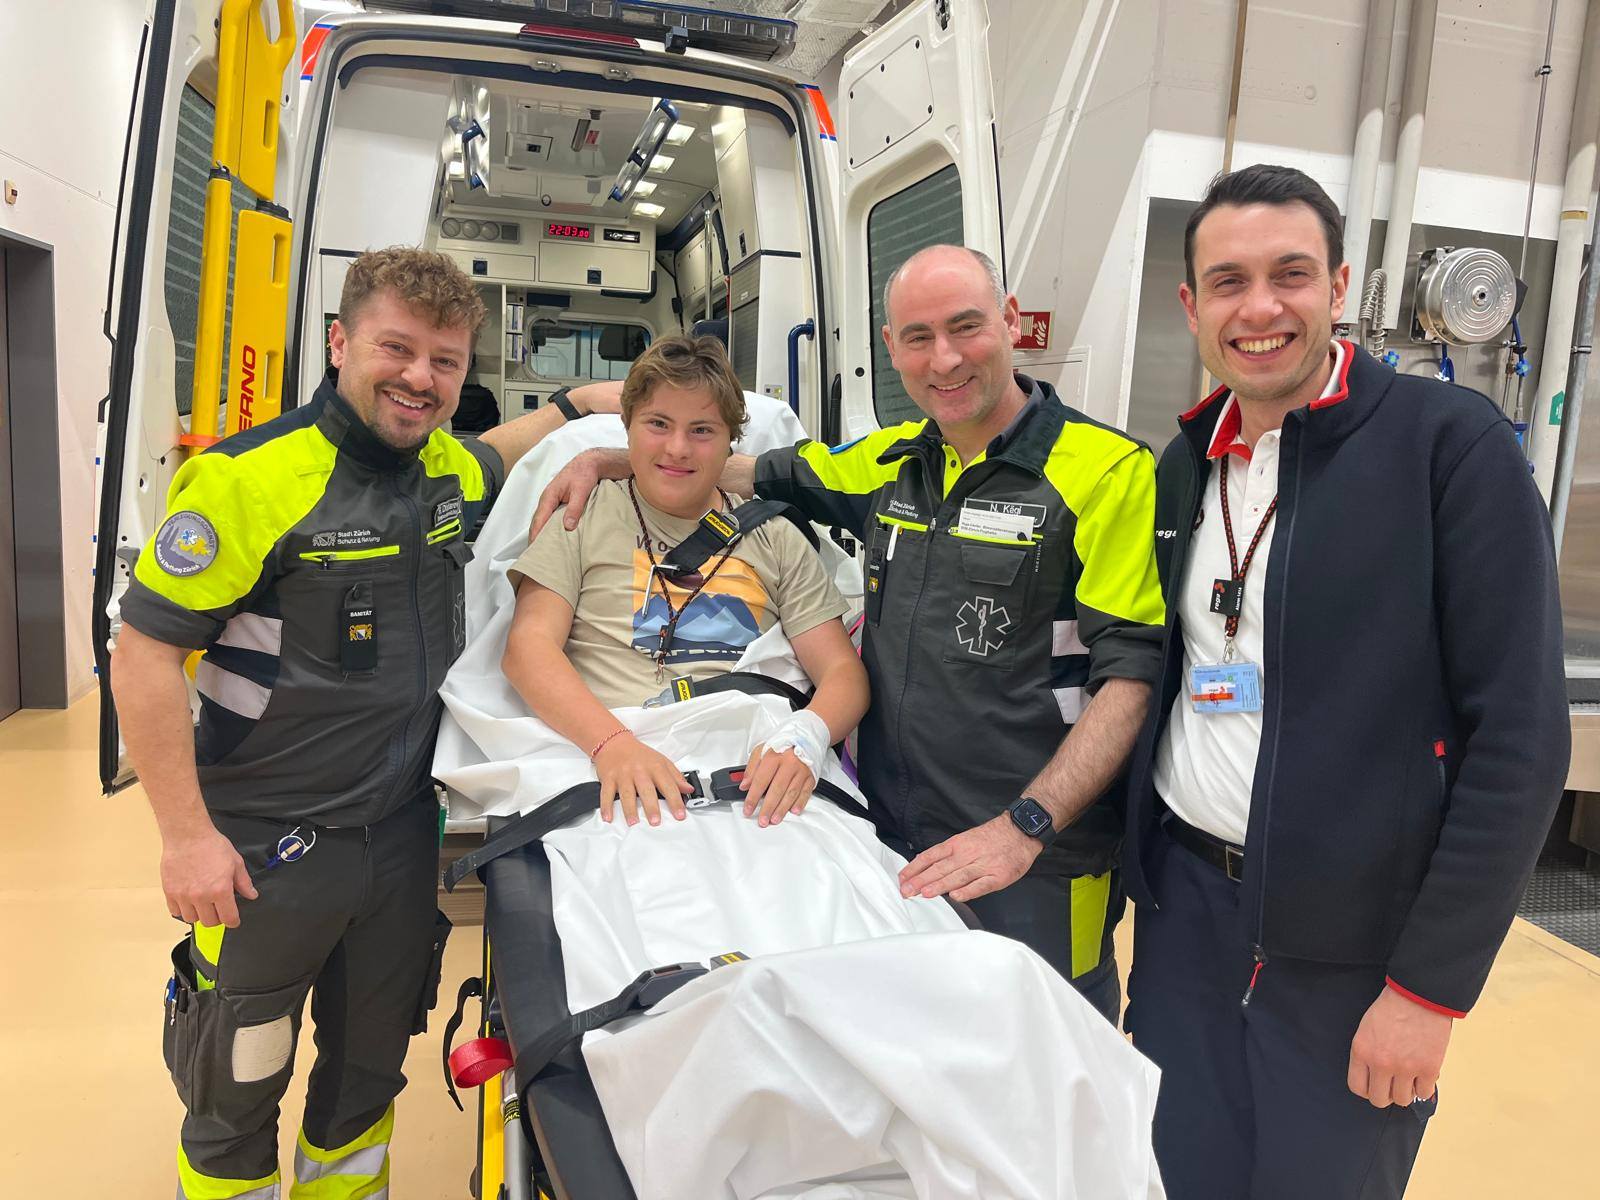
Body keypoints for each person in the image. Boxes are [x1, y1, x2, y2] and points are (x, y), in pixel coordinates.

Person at [533, 245, 1165, 1022]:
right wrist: (615, 456)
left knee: (1050, 1040)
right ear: (891, 347)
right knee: (909, 1035)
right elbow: (744, 468)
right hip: (890, 833)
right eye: (918, 337)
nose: (944, 359)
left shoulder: (1107, 472)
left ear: (1010, 320)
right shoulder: (888, 464)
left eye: (966, 327)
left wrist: (1024, 828)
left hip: (1034, 854)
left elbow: (1131, 679)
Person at [109, 247, 617, 1200]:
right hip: (266, 846)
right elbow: (142, 658)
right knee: (237, 1077)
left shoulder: (446, 472)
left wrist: (587, 417)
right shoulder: (247, 480)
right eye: (398, 348)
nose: (421, 378)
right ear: (341, 342)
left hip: (398, 837)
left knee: (368, 1072)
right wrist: (185, 837)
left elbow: (500, 449)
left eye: (446, 361)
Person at [1121, 164, 1569, 1199]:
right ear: (1191, 305)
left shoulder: (1445, 448)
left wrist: (1428, 989)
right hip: (1188, 922)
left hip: (1352, 955)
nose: (1259, 308)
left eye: (1289, 275)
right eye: (1228, 282)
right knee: (1182, 1178)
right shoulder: (1184, 466)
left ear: (1338, 286)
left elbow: (1520, 738)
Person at [501, 334, 869, 826]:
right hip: (610, 753)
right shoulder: (582, 515)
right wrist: (613, 745)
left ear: (730, 442)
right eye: (658, 424)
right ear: (627, 426)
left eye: (701, 430)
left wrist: (806, 736)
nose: (677, 448)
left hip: (751, 771)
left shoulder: (776, 537)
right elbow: (527, 649)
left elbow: (843, 673)